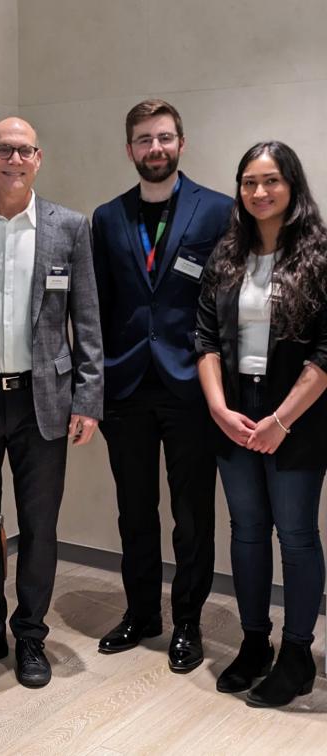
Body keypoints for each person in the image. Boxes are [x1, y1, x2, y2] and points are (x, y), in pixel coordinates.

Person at [0, 117, 103, 688]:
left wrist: (89, 398)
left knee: (39, 524)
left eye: (24, 150)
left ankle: (30, 634)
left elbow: (87, 319)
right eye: (2, 149)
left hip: (45, 402)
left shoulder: (70, 228)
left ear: (39, 158)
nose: (14, 158)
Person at [92, 99, 232, 671]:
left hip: (192, 386)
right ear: (129, 148)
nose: (155, 148)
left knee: (193, 513)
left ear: (181, 143)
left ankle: (189, 623)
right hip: (125, 386)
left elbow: (225, 302)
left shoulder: (218, 210)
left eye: (165, 138)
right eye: (144, 139)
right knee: (134, 509)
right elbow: (95, 306)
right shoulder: (107, 217)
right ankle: (142, 612)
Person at [196, 141, 327, 707]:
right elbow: (203, 339)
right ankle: (255, 643)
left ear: (292, 186)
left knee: (295, 536)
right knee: (246, 531)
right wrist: (219, 408)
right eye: (248, 181)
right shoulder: (226, 255)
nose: (259, 192)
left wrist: (280, 420)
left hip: (296, 414)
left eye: (270, 180)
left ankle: (297, 655)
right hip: (235, 411)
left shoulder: (320, 257)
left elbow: (326, 353)